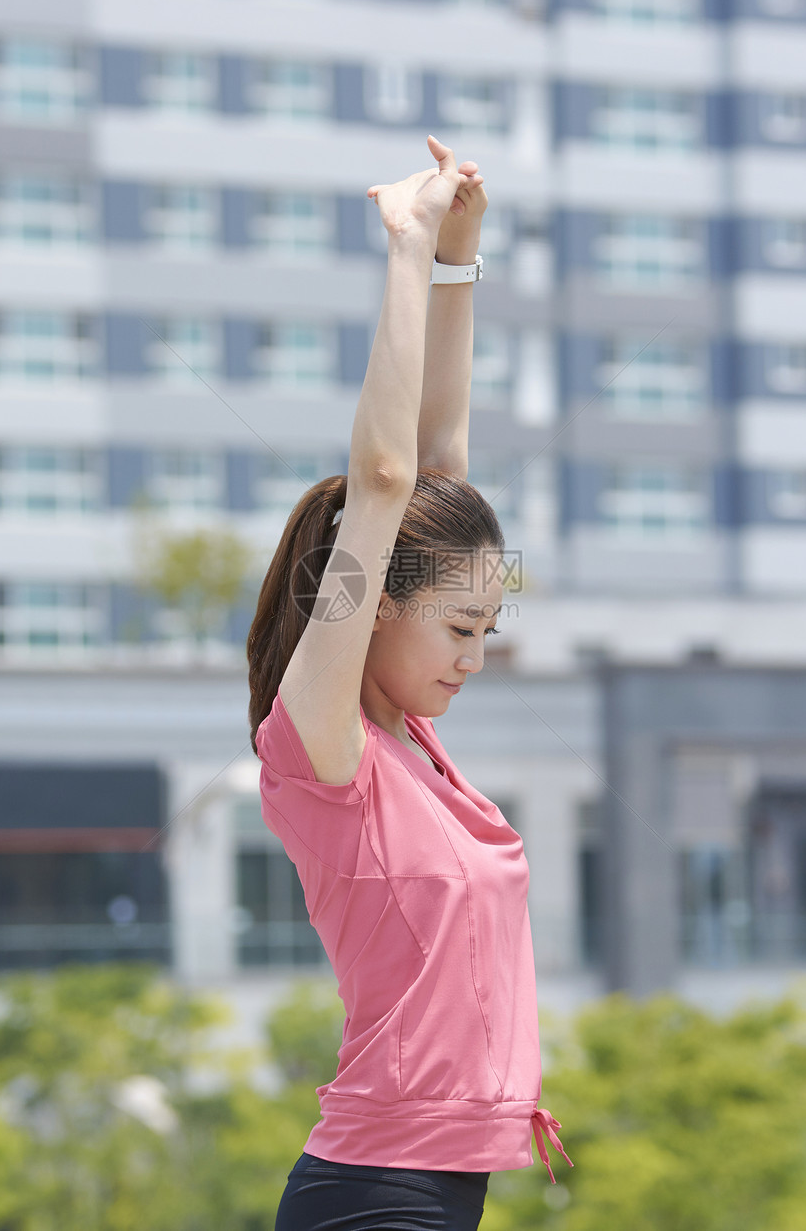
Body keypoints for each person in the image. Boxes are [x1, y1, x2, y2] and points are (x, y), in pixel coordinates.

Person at [247, 136, 573, 1231]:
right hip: (372, 1197)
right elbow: (388, 479)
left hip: (436, 1187)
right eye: (461, 627)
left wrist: (459, 257)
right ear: (369, 601)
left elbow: (434, 466)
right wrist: (405, 244)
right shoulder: (324, 753)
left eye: (489, 626)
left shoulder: (412, 751)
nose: (474, 657)